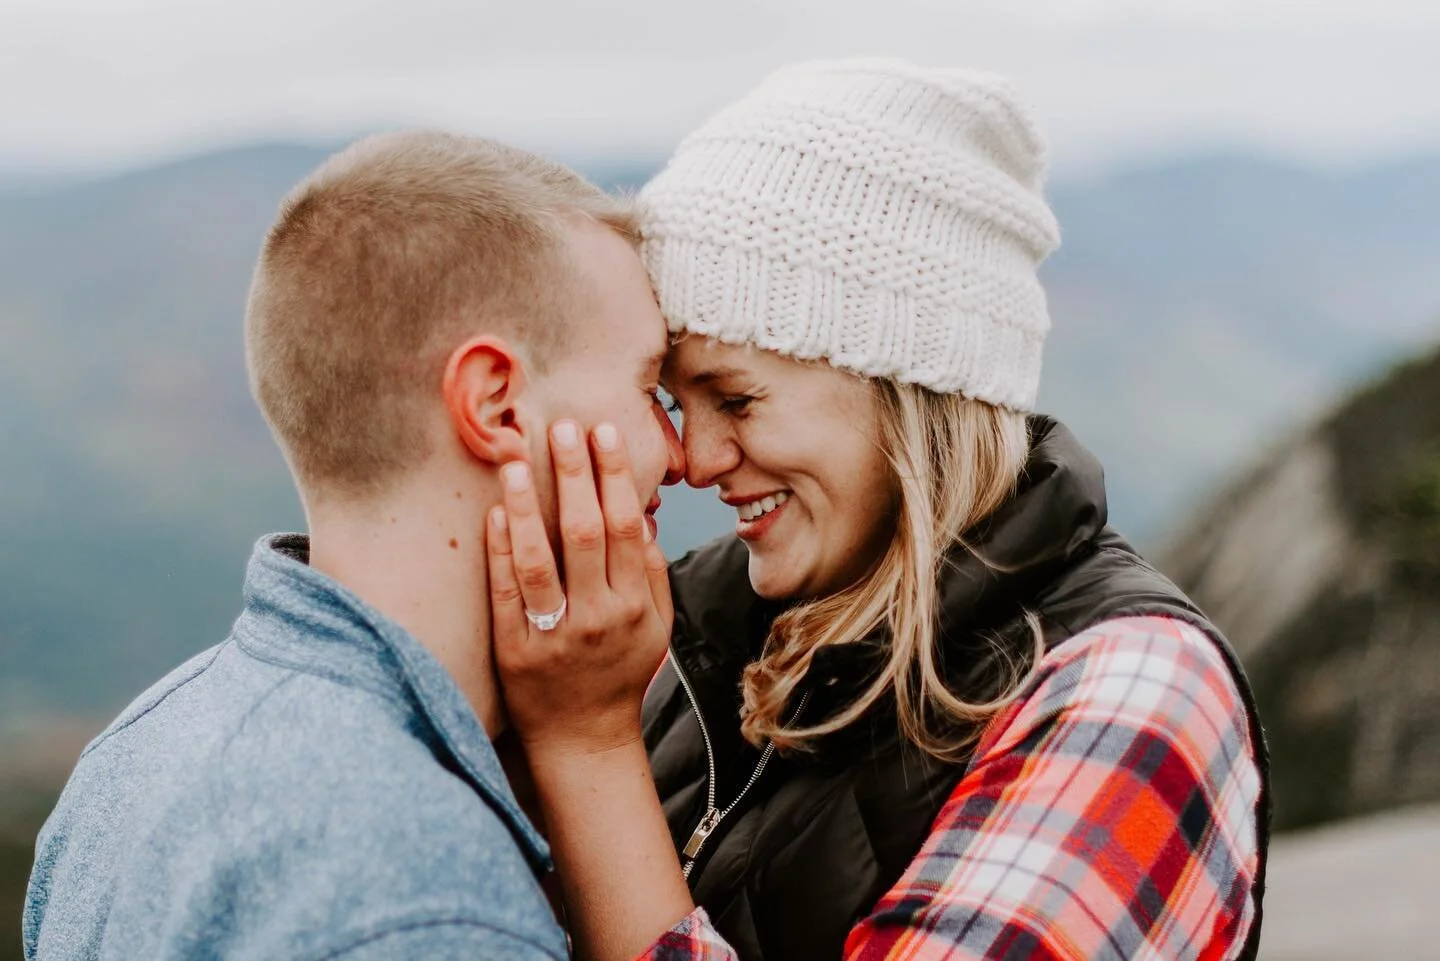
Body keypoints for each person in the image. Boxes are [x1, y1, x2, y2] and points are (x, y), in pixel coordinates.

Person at [485, 60, 1270, 960]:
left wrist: (588, 749)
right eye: (673, 402)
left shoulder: (1134, 693)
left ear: (906, 389)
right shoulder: (704, 631)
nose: (694, 461)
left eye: (737, 400)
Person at [23, 130, 694, 960]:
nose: (682, 453)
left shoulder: (132, 752)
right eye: (649, 387)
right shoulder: (427, 899)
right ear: (498, 407)